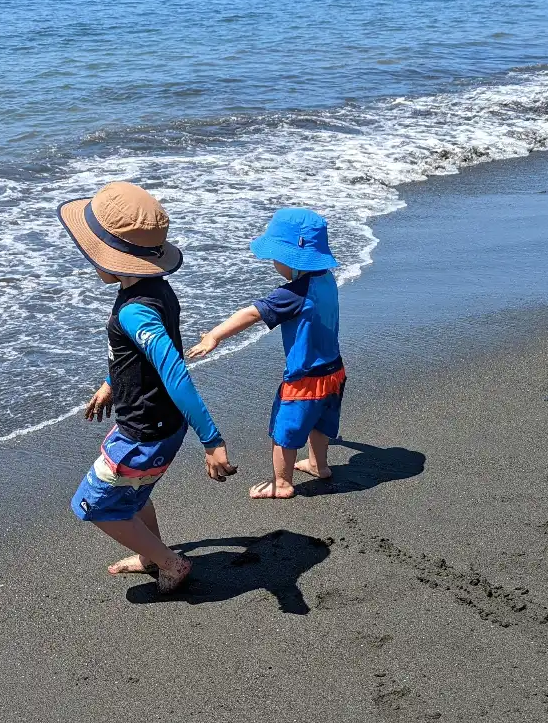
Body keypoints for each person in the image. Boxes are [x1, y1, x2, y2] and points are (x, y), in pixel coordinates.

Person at [57, 181, 236, 594]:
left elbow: (175, 372)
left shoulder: (136, 311)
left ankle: (170, 563)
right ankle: (150, 553)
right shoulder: (151, 290)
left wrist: (212, 440)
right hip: (158, 423)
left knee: (95, 504)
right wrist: (109, 384)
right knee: (133, 493)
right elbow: (138, 358)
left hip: (144, 431)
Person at [188, 208, 343, 500]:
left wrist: (214, 336)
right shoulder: (327, 279)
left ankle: (281, 483)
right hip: (334, 372)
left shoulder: (292, 294)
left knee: (285, 429)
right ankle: (318, 464)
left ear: (289, 259)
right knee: (320, 422)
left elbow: (252, 313)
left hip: (304, 379)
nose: (273, 261)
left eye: (275, 255)